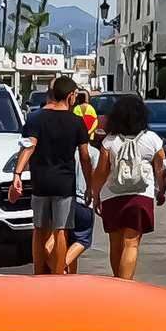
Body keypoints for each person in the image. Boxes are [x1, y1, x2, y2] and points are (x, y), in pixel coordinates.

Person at [8, 75, 93, 276]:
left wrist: (17, 174)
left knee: (39, 230)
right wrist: (90, 186)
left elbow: (29, 146)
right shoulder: (77, 122)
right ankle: (57, 274)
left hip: (40, 183)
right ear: (71, 96)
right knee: (61, 230)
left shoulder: (35, 118)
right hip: (64, 185)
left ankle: (38, 273)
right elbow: (85, 156)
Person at [89, 91, 166, 280]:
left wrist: (96, 195)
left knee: (115, 243)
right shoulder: (152, 139)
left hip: (112, 196)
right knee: (131, 243)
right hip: (141, 195)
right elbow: (161, 170)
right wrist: (162, 192)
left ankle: (118, 283)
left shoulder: (110, 141)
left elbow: (101, 172)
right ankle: (127, 285)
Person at [62, 92, 102, 273]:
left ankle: (71, 274)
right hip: (82, 201)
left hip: (63, 199)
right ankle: (60, 266)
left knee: (67, 239)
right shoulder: (93, 153)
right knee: (83, 240)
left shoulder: (65, 150)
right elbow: (95, 178)